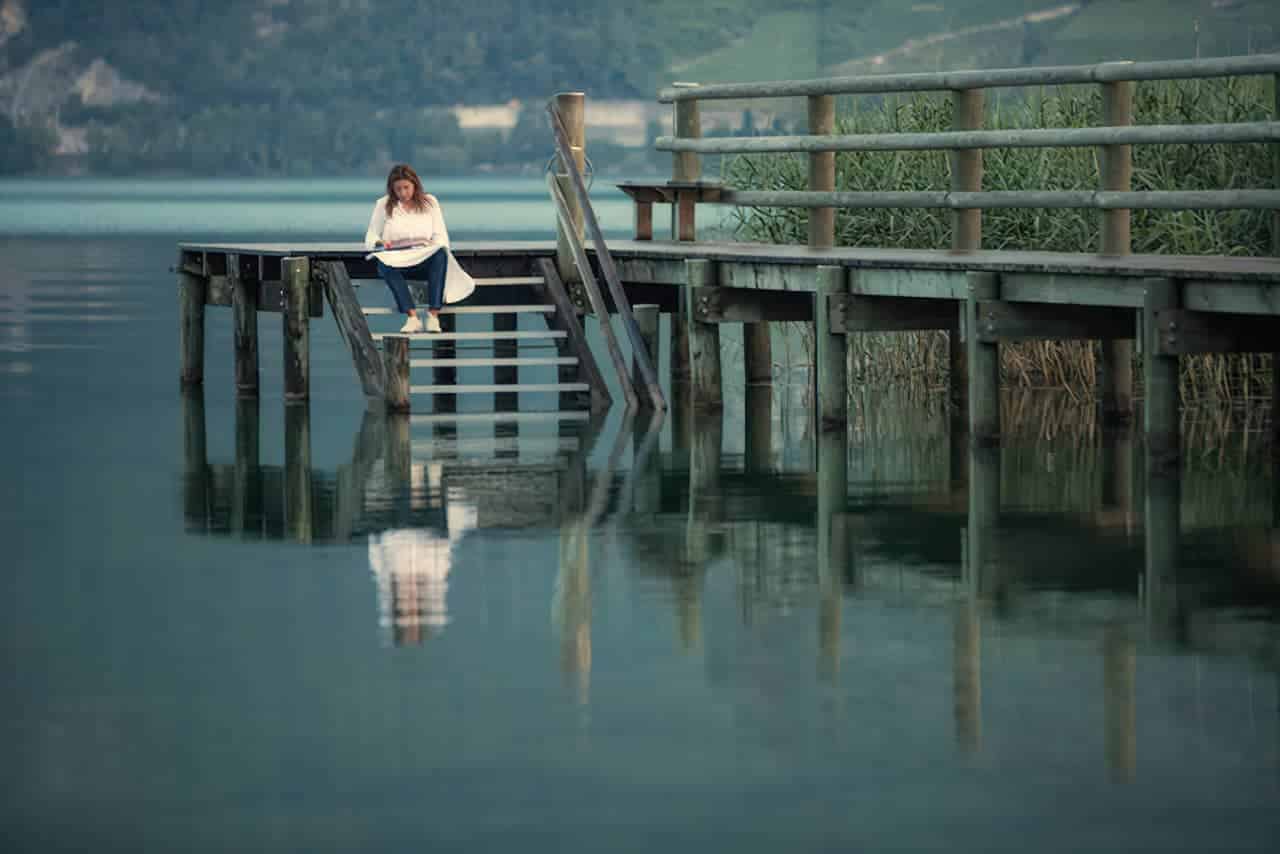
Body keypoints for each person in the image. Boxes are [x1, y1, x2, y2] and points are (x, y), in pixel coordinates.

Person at [364, 164, 474, 333]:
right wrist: (380, 244)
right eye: (398, 189)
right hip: (397, 259)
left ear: (415, 184)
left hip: (423, 257)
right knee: (383, 265)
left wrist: (430, 245)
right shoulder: (383, 204)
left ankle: (433, 315)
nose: (402, 193)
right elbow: (371, 236)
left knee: (440, 254)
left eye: (406, 188)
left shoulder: (430, 202)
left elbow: (441, 236)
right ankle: (412, 317)